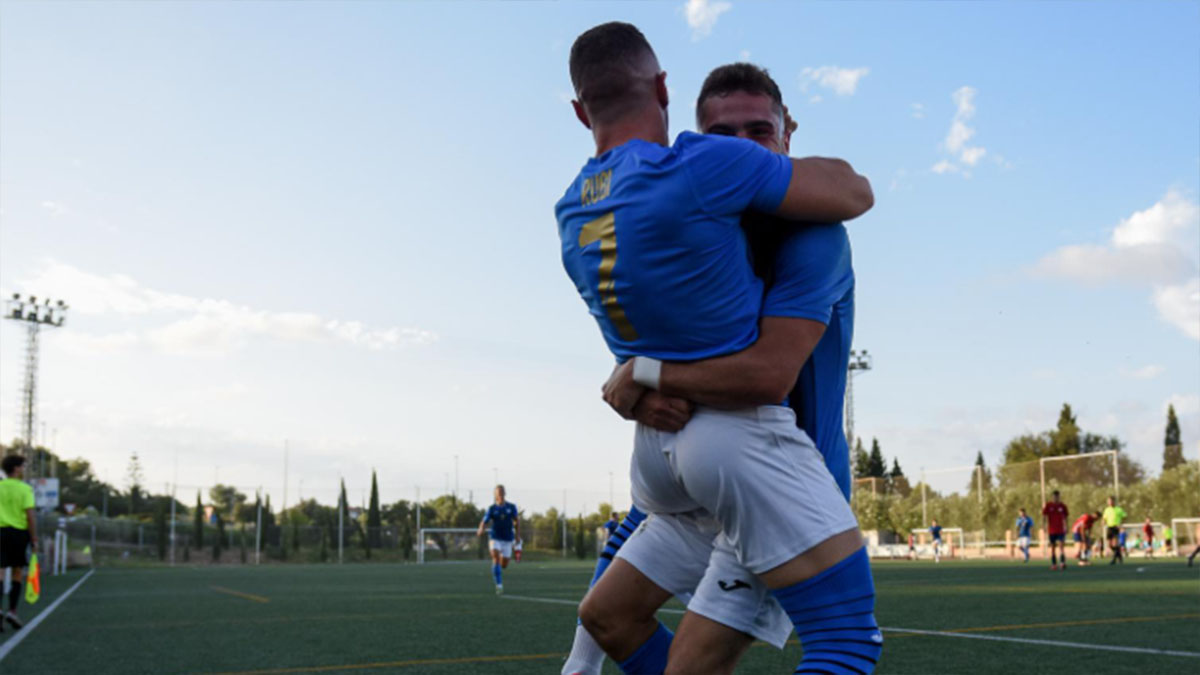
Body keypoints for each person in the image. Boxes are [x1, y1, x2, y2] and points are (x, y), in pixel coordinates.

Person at [558, 23, 878, 675]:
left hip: (780, 474)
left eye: (758, 132)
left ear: (788, 136)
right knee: (611, 615)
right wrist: (633, 379)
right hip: (725, 460)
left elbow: (765, 371)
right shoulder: (699, 202)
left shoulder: (812, 239)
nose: (742, 147)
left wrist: (639, 373)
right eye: (724, 136)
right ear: (674, 107)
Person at [0, 455, 37, 631]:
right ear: (15, 468)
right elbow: (30, 516)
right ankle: (12, 611)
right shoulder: (24, 489)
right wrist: (34, 539)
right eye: (22, 466)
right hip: (18, 533)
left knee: (0, 572)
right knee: (17, 572)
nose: (23, 469)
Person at [476, 485, 519, 594]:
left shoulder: (512, 507)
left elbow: (516, 521)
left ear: (505, 493)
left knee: (504, 564)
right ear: (495, 495)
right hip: (495, 538)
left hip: (508, 539)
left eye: (502, 492)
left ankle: (498, 567)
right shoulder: (492, 509)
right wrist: (481, 529)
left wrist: (517, 535)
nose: (500, 494)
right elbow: (484, 521)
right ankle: (499, 585)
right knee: (495, 556)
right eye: (498, 492)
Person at [1041, 490, 1069, 571]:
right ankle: (1054, 564)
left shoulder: (1063, 506)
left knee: (1061, 546)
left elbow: (1066, 517)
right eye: (1054, 496)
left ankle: (1062, 563)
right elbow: (1044, 516)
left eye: (1057, 496)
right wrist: (1044, 526)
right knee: (1053, 547)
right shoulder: (1048, 505)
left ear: (1059, 497)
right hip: (1052, 530)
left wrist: (1066, 526)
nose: (1056, 498)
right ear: (1052, 497)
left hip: (1060, 529)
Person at [1102, 495, 1127, 565]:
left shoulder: (1118, 509)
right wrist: (1103, 522)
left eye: (1110, 501)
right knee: (1110, 545)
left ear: (1113, 501)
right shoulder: (1107, 509)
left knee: (1115, 543)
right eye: (1108, 501)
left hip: (1116, 527)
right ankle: (1119, 555)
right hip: (1109, 527)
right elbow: (1104, 518)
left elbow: (1124, 516)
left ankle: (1113, 559)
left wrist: (1120, 524)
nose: (1109, 502)